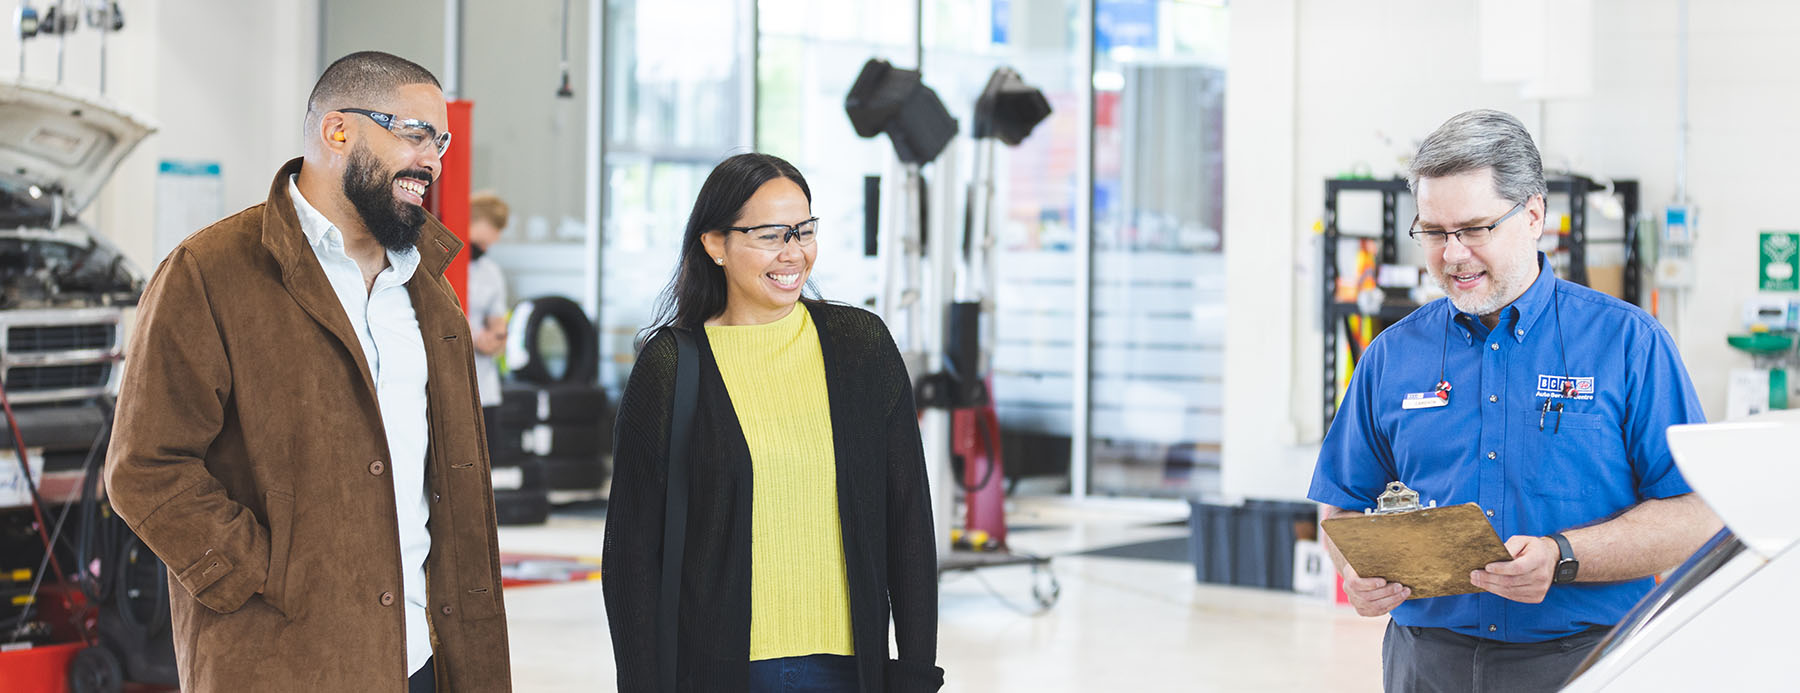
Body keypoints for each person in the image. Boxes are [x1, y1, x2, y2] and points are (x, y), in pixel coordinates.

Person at [105, 51, 511, 692]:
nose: (432, 161)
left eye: (442, 140)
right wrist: (264, 576)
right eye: (414, 134)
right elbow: (146, 467)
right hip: (285, 659)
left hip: (422, 657)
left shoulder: (430, 292)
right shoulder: (210, 273)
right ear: (338, 131)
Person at [1309, 109, 1721, 692]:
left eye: (1474, 229)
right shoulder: (1391, 355)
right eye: (1433, 232)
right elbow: (1340, 504)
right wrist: (1357, 572)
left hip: (1586, 661)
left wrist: (1564, 556)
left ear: (1533, 215)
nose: (1451, 255)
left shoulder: (1628, 343)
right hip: (1426, 664)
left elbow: (1695, 517)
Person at [602, 153, 944, 692]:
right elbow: (631, 555)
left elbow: (908, 522)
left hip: (852, 669)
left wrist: (917, 670)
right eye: (770, 234)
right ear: (714, 244)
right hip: (724, 670)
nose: (794, 252)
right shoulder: (671, 365)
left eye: (804, 230)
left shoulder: (862, 345)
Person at [467, 191, 510, 453]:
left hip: (486, 388)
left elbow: (498, 321)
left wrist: (496, 339)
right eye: (495, 228)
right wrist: (473, 337)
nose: (497, 237)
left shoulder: (490, 272)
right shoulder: (441, 263)